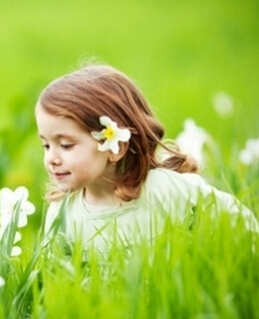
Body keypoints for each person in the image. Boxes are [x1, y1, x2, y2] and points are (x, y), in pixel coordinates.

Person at [35, 63, 258, 254]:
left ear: (115, 147)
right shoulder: (61, 213)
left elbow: (240, 222)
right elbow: (52, 277)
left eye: (66, 145)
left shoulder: (164, 189)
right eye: (46, 145)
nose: (51, 158)